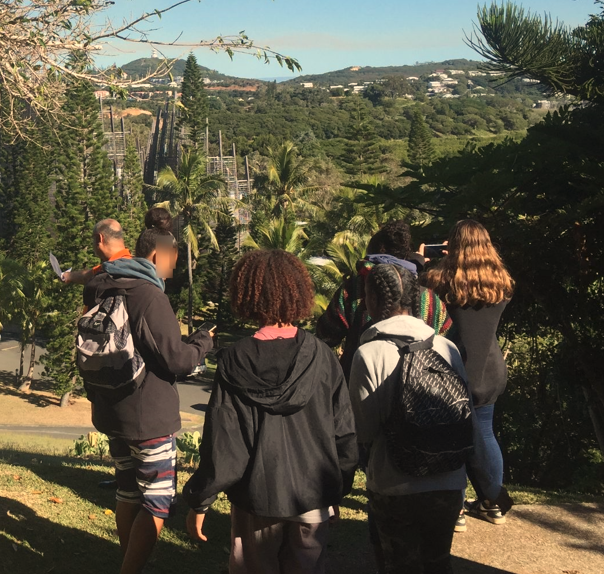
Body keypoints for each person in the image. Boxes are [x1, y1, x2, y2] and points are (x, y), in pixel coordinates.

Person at [183, 249, 357, 574]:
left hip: (256, 501)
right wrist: (336, 490)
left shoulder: (235, 360)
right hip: (313, 498)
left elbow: (224, 443)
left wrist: (200, 499)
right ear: (299, 291)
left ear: (246, 294)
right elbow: (344, 434)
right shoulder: (323, 357)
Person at [83, 224, 214, 574]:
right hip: (148, 418)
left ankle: (129, 559)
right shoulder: (150, 296)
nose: (174, 268)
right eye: (172, 260)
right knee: (158, 502)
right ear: (157, 255)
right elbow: (177, 360)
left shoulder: (99, 284)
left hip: (110, 410)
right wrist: (202, 342)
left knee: (127, 491)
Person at [350, 263, 468, 574]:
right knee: (438, 563)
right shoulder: (447, 347)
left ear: (374, 299)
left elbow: (364, 430)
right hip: (448, 480)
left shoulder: (369, 354)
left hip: (394, 483)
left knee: (399, 566)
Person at [421, 219, 515, 529]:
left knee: (451, 438)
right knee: (485, 434)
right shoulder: (501, 283)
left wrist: (424, 260)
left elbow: (422, 297)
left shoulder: (437, 280)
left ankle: (456, 510)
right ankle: (492, 504)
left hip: (452, 367)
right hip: (489, 370)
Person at [317, 219, 451, 376]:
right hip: (418, 383)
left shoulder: (354, 289)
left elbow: (325, 335)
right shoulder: (429, 299)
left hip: (359, 378)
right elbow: (446, 341)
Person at [60, 218, 132, 286]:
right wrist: (69, 276)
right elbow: (86, 276)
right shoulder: (133, 264)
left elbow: (87, 277)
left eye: (93, 239)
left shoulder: (106, 270)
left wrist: (69, 276)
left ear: (99, 238)